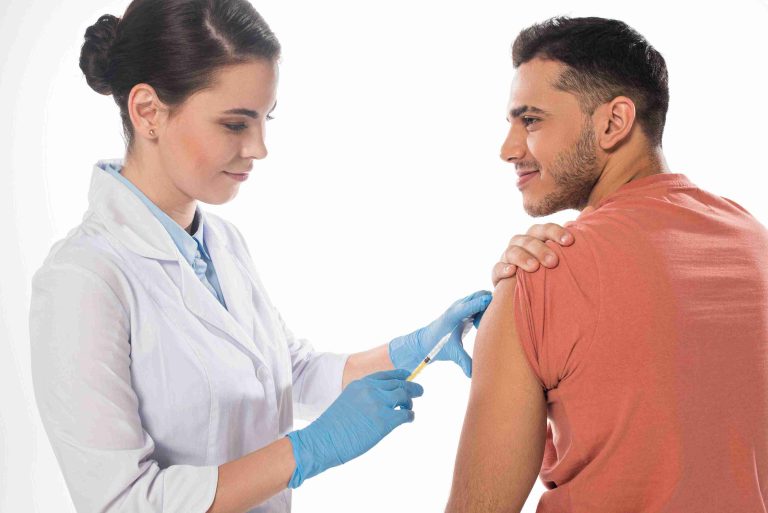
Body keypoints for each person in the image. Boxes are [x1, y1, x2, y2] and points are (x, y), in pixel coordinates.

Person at [26, 2, 564, 512]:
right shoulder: (83, 279)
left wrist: (416, 346)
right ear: (148, 111)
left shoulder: (221, 244)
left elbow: (289, 374)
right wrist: (306, 452)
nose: (259, 148)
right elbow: (122, 502)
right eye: (235, 124)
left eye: (266, 119)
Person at [445, 16, 768, 513]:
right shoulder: (755, 242)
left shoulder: (539, 275)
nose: (508, 149)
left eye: (530, 120)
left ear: (613, 122)